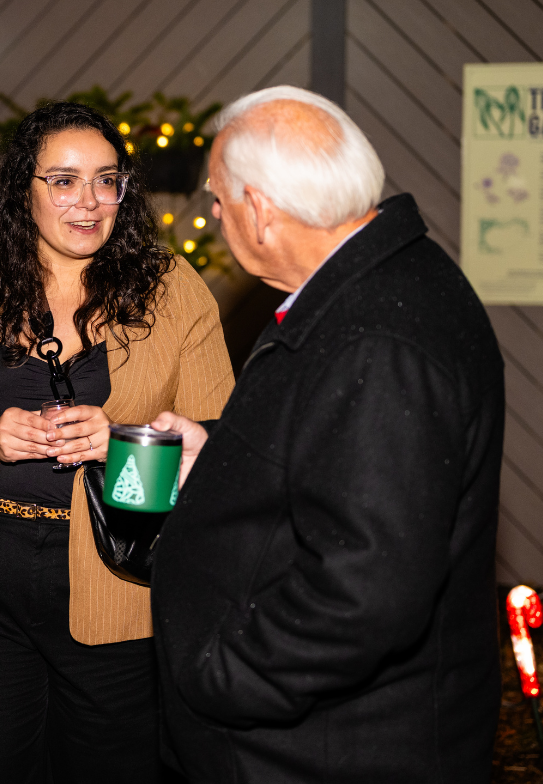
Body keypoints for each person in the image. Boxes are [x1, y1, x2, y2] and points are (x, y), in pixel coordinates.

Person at [150, 86, 504, 782]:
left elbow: (365, 590)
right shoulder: (379, 281)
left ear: (259, 210)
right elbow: (340, 451)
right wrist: (219, 453)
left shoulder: (378, 338)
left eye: (218, 200)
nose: (214, 215)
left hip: (321, 749)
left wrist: (222, 678)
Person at [0, 101, 234, 783]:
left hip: (117, 596)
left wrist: (120, 444)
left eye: (107, 180)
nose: (89, 201)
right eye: (64, 180)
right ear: (24, 192)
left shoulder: (175, 296)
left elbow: (218, 460)